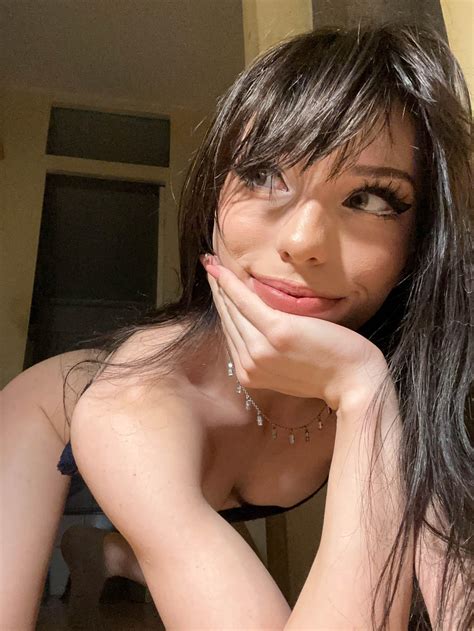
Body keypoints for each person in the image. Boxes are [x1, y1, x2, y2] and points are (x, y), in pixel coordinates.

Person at [2, 23, 472, 630]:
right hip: (55, 416)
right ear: (213, 199)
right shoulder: (134, 405)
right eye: (263, 175)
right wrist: (363, 390)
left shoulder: (416, 371)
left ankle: (116, 554)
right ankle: (94, 547)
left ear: (419, 242)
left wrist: (367, 393)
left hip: (195, 484)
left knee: (190, 547)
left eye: (371, 199)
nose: (302, 241)